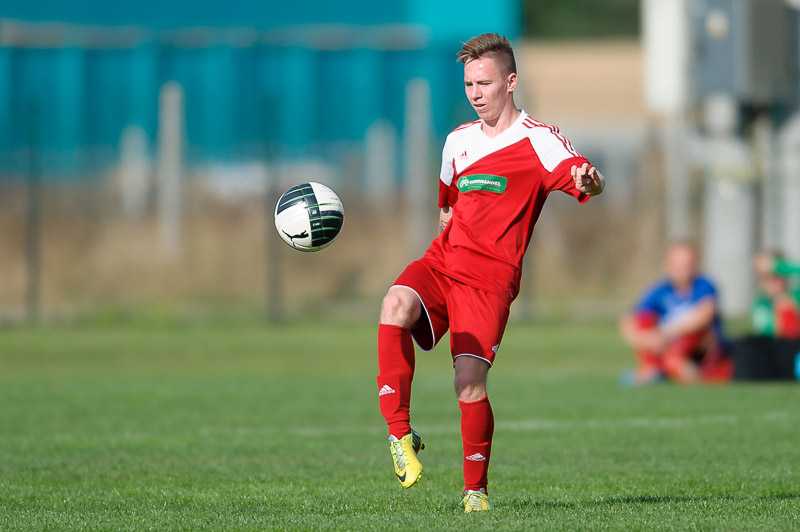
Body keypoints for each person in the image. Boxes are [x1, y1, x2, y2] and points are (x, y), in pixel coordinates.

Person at [376, 33, 605, 513]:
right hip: (443, 262)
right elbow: (447, 204)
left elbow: (582, 173)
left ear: (511, 81)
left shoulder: (538, 139)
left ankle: (475, 492)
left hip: (490, 282)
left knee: (468, 385)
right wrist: (448, 228)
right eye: (468, 84)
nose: (475, 93)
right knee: (394, 304)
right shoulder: (457, 140)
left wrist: (591, 179)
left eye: (484, 83)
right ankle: (400, 434)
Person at [618, 242, 732, 385]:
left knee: (697, 330)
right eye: (678, 264)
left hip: (698, 350)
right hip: (666, 347)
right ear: (668, 265)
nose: (683, 269)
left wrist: (665, 333)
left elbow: (705, 315)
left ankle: (675, 367)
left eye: (687, 264)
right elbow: (630, 319)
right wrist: (644, 339)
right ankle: (656, 369)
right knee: (644, 320)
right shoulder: (660, 290)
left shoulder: (704, 286)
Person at [731, 251, 800, 380]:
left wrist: (776, 266)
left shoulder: (796, 296)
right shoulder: (761, 304)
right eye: (767, 277)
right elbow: (766, 336)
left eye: (776, 276)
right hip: (774, 359)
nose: (771, 282)